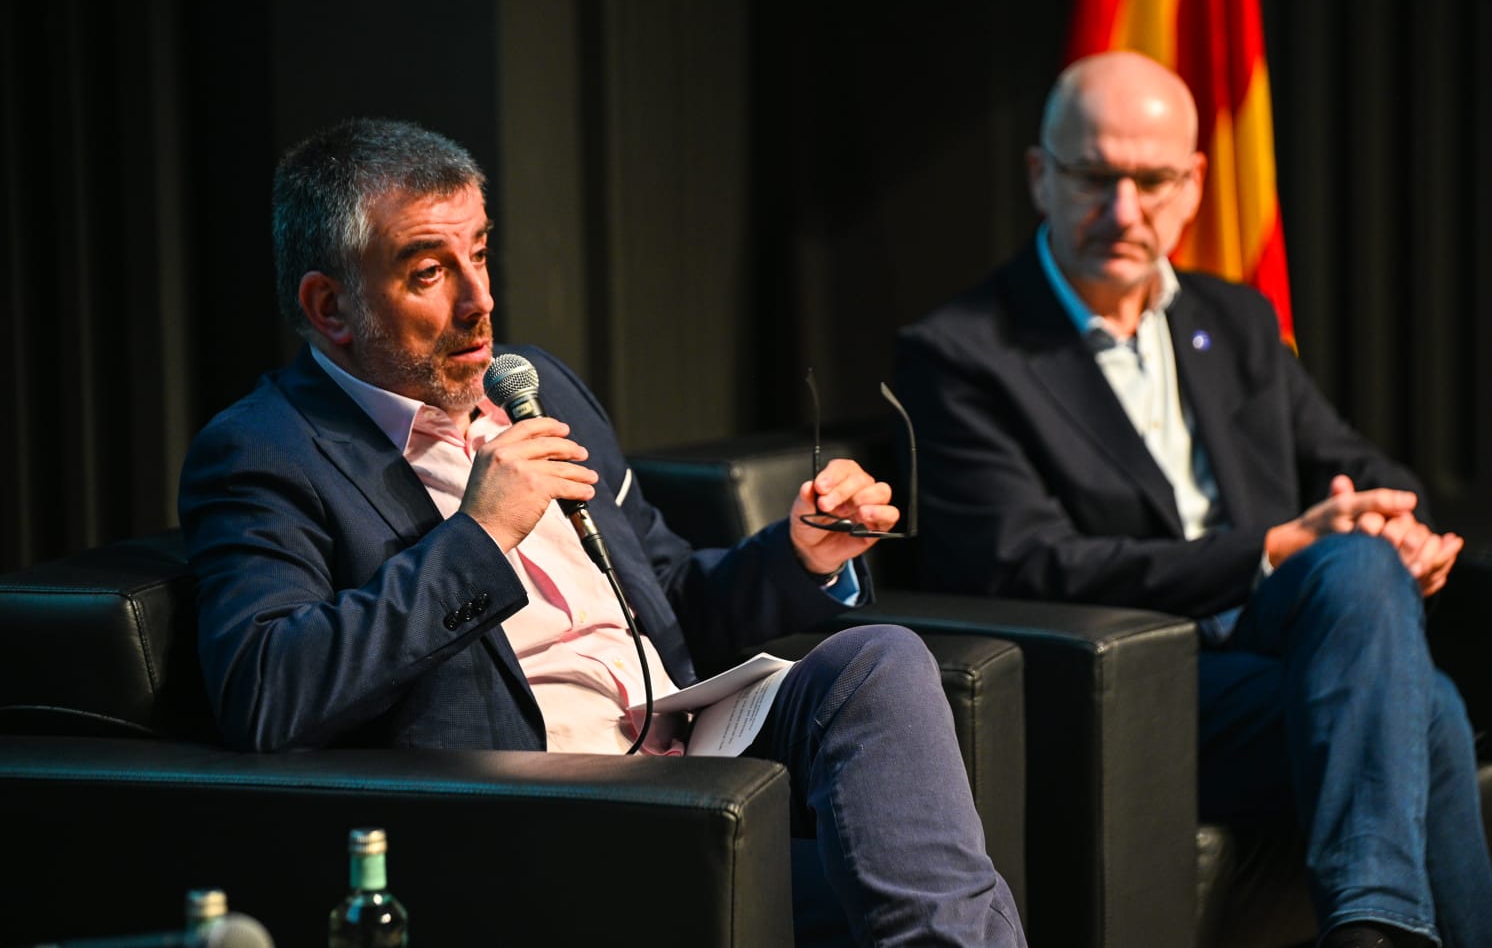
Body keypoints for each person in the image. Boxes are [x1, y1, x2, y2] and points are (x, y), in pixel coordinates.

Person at [178, 117, 1024, 946]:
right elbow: (267, 689)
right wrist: (481, 535)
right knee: (939, 901)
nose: (481, 300)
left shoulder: (535, 386)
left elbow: (671, 596)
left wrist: (801, 550)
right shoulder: (266, 451)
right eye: (431, 272)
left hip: (693, 753)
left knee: (880, 659)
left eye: (479, 252)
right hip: (552, 809)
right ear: (331, 306)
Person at [893, 51, 1492, 948]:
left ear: (1193, 184)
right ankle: (1375, 926)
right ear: (1040, 177)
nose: (1125, 211)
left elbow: (1359, 465)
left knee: (1360, 563)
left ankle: (1371, 931)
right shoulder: (960, 353)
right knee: (1426, 705)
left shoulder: (1238, 321)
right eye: (1095, 177)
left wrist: (1396, 522)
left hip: (1284, 648)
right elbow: (1016, 564)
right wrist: (1268, 550)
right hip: (1131, 682)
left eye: (1152, 180)